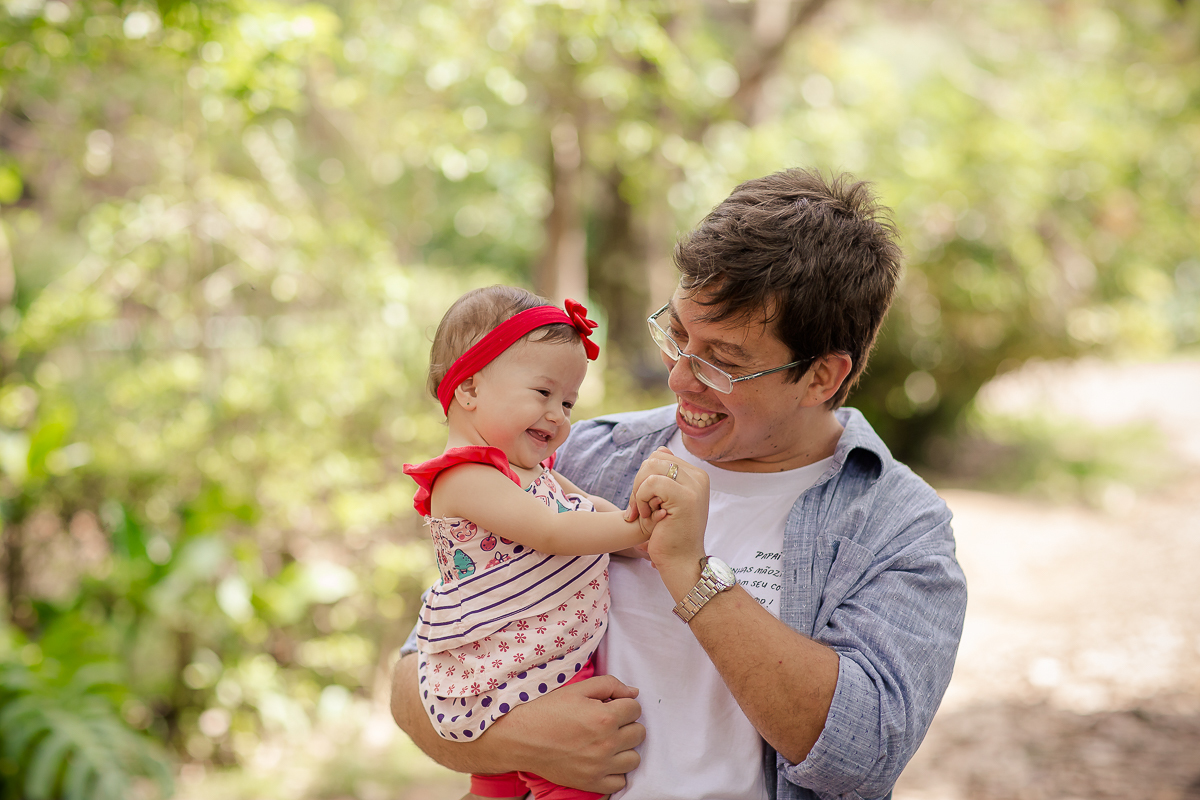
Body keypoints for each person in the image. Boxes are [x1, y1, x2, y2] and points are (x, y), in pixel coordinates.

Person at [391, 168, 968, 800]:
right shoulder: (581, 457)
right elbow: (417, 678)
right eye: (678, 336)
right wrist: (519, 742)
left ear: (821, 378)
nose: (681, 379)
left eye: (723, 362)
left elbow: (861, 760)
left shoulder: (899, 529)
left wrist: (693, 574)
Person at [401, 286, 706, 800]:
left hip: (548, 657)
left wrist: (636, 530)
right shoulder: (463, 478)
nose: (559, 415)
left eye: (567, 401)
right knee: (568, 788)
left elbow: (587, 510)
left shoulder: (532, 472)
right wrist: (637, 530)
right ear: (470, 389)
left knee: (498, 790)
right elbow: (554, 532)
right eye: (543, 394)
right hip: (513, 672)